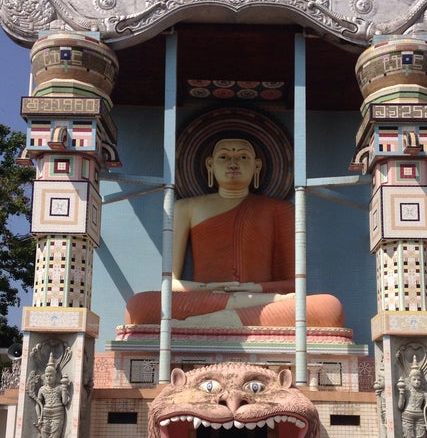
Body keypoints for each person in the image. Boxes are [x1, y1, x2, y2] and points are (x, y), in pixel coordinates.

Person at [125, 138, 344, 327]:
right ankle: (229, 316)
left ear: (257, 166)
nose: (233, 163)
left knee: (328, 306)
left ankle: (209, 322)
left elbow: (295, 285)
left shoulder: (280, 209)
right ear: (210, 164)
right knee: (138, 306)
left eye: (243, 157)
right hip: (208, 299)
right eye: (223, 157)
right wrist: (209, 288)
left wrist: (253, 289)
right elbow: (170, 283)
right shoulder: (186, 207)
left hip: (261, 298)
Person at [34, 354, 71, 438]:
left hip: (57, 413)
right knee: (44, 437)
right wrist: (39, 417)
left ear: (55, 376)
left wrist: (64, 390)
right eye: (47, 376)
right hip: (45, 414)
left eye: (51, 375)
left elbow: (65, 402)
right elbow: (38, 404)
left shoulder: (59, 388)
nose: (49, 378)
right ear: (44, 377)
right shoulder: (42, 389)